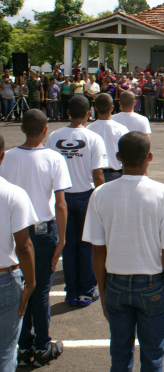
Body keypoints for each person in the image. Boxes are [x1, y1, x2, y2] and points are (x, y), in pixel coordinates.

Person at [83, 132, 164, 372]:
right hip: (152, 285)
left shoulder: (100, 194)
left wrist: (103, 288)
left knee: (119, 354)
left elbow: (98, 251)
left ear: (118, 157)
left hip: (116, 284)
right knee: (152, 355)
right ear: (149, 156)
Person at [0, 109, 71, 367]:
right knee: (40, 289)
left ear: (21, 129)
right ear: (45, 130)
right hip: (43, 229)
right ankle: (42, 345)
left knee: (20, 286)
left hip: (14, 228)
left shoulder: (6, 157)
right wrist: (62, 239)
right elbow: (61, 204)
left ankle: (24, 343)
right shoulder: (54, 158)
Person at [46, 96, 107, 307]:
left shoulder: (54, 136)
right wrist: (102, 198)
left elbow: (49, 169)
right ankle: (86, 292)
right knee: (87, 244)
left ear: (67, 111)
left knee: (68, 245)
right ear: (88, 113)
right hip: (86, 195)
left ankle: (71, 292)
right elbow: (98, 174)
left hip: (61, 196)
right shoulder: (93, 138)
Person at [0, 134, 37, 372]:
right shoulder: (13, 194)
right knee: (5, 351)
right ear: (2, 156)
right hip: (5, 278)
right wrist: (31, 282)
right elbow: (24, 246)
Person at [86, 94, 129, 183]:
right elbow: (127, 155)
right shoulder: (122, 129)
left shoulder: (88, 129)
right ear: (112, 107)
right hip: (116, 173)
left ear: (95, 108)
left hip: (94, 174)